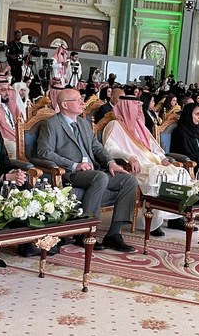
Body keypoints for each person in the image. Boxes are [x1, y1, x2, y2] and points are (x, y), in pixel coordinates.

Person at [36, 88, 139, 252]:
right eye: (77, 100)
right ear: (64, 104)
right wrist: (74, 165)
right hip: (72, 173)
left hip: (93, 171)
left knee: (129, 180)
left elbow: (97, 147)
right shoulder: (52, 124)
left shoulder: (83, 123)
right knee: (100, 178)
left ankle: (114, 234)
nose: (82, 103)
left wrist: (111, 162)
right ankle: (85, 233)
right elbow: (44, 152)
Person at [102, 95, 189, 236]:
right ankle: (154, 222)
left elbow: (155, 148)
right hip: (136, 166)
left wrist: (162, 158)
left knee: (177, 173)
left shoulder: (140, 126)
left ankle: (175, 216)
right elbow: (109, 148)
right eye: (136, 107)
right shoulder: (114, 125)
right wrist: (128, 157)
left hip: (152, 162)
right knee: (158, 178)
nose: (139, 110)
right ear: (127, 107)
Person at [0, 76, 24, 158]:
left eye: (8, 89)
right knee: (14, 147)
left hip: (15, 136)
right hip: (1, 139)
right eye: (3, 90)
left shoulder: (11, 105)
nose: (7, 93)